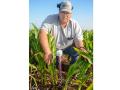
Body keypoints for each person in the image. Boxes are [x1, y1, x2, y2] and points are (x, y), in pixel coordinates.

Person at [39, 1, 86, 65]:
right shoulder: (50, 19)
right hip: (54, 48)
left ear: (71, 14)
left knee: (78, 53)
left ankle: (72, 70)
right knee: (53, 62)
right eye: (63, 12)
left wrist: (81, 49)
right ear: (59, 12)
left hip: (68, 47)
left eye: (68, 13)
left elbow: (78, 41)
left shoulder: (75, 24)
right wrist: (47, 52)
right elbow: (42, 33)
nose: (65, 15)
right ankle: (56, 66)